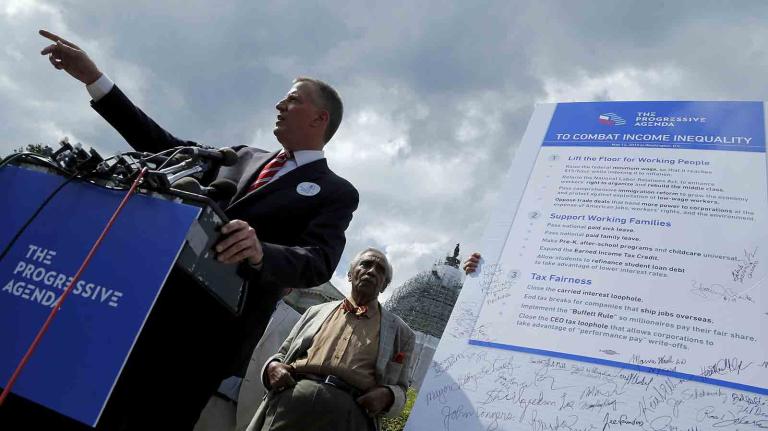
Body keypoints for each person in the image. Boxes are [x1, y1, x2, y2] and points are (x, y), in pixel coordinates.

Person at [30, 30, 359, 429]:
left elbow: (318, 260)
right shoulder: (238, 156)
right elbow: (162, 145)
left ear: (320, 118)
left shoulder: (335, 191)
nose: (279, 103)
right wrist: (95, 80)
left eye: (292, 98)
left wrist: (261, 251)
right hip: (145, 310)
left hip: (208, 340)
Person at [245, 248, 415, 431]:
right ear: (350, 275)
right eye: (366, 264)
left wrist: (388, 395)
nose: (372, 271)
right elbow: (283, 354)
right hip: (291, 403)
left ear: (384, 286)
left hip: (349, 416)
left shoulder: (401, 333)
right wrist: (273, 367)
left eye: (380, 269)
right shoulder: (316, 312)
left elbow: (401, 389)